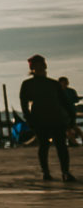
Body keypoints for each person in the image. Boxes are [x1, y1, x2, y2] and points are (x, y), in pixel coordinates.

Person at [20, 55, 75, 183]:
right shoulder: (28, 84)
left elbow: (65, 102)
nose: (39, 68)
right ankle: (46, 172)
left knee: (61, 146)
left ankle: (65, 172)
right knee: (44, 145)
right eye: (36, 65)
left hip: (56, 118)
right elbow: (24, 104)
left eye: (41, 65)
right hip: (39, 119)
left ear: (44, 66)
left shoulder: (53, 84)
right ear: (32, 68)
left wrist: (71, 117)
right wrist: (29, 119)